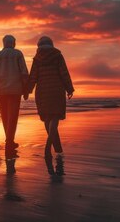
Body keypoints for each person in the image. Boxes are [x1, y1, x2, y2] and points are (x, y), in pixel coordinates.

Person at [26, 36, 74, 175]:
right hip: (57, 90)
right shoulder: (57, 56)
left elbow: (33, 76)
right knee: (54, 118)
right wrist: (69, 88)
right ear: (51, 45)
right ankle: (53, 148)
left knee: (47, 118)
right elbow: (64, 73)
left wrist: (27, 90)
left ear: (39, 45)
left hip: (42, 91)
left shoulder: (37, 58)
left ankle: (53, 148)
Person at [0, 35, 29, 158]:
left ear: (4, 43)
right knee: (13, 117)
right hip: (15, 90)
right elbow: (24, 73)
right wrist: (26, 90)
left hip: (1, 91)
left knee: (5, 116)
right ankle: (9, 141)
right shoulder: (17, 54)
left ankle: (9, 140)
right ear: (13, 43)